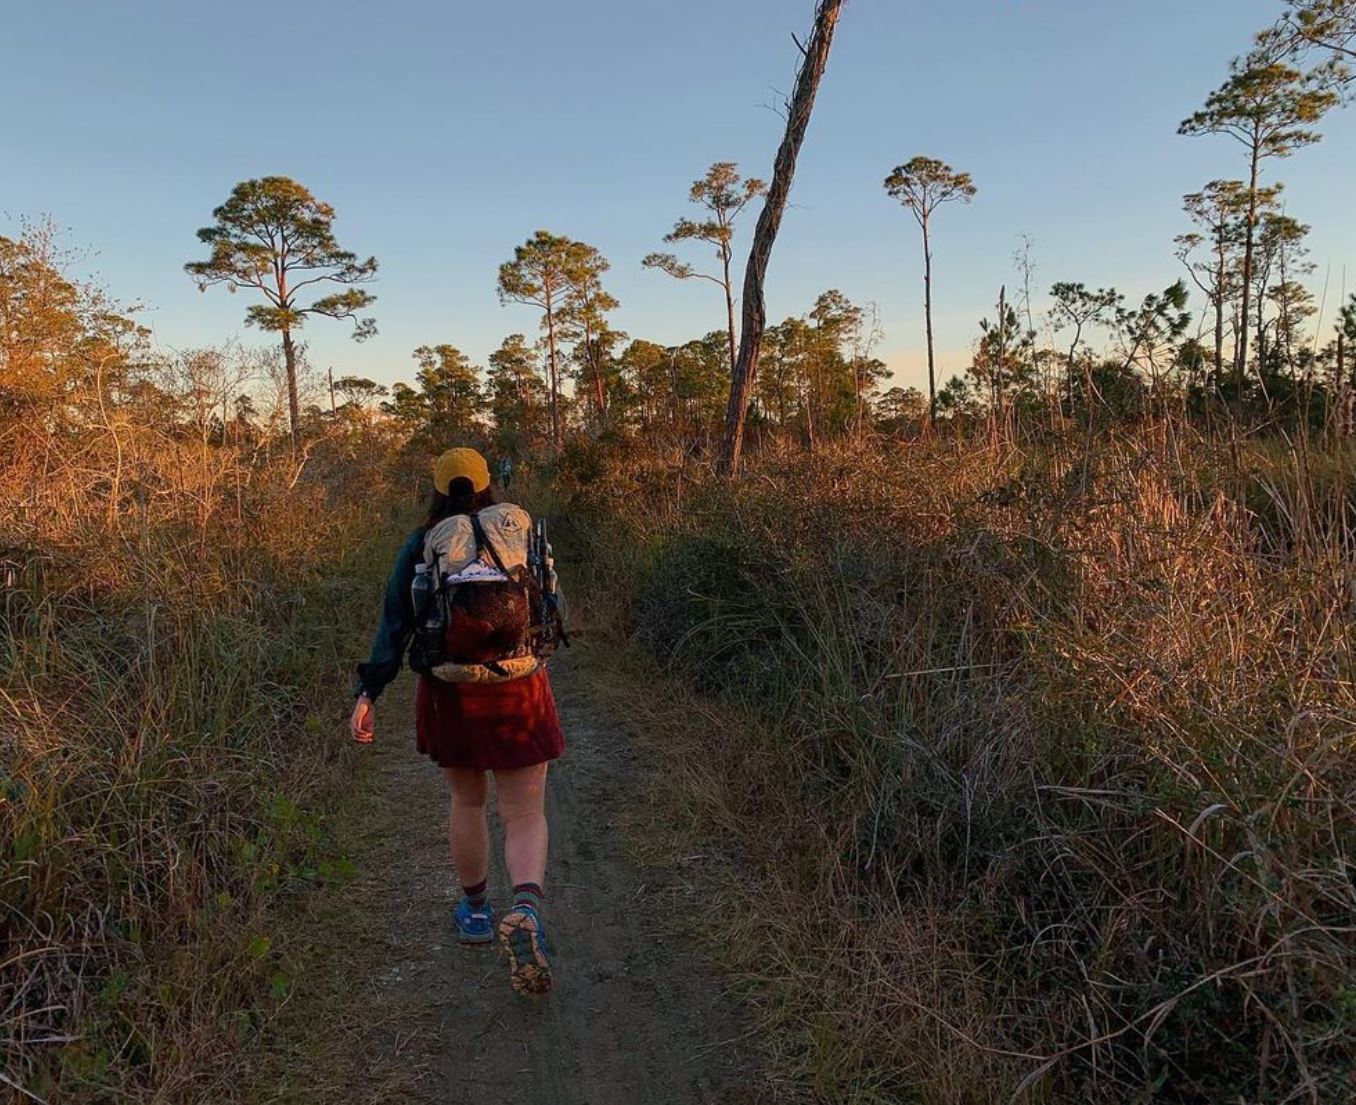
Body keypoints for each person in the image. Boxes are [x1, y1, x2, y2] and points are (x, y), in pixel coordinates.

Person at [350, 446, 564, 995]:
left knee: (467, 802)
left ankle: (474, 913)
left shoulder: (425, 543)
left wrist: (369, 691)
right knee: (523, 812)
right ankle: (527, 909)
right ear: (489, 484)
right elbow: (550, 601)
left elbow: (395, 621)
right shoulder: (518, 530)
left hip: (452, 692)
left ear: (438, 490)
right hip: (520, 686)